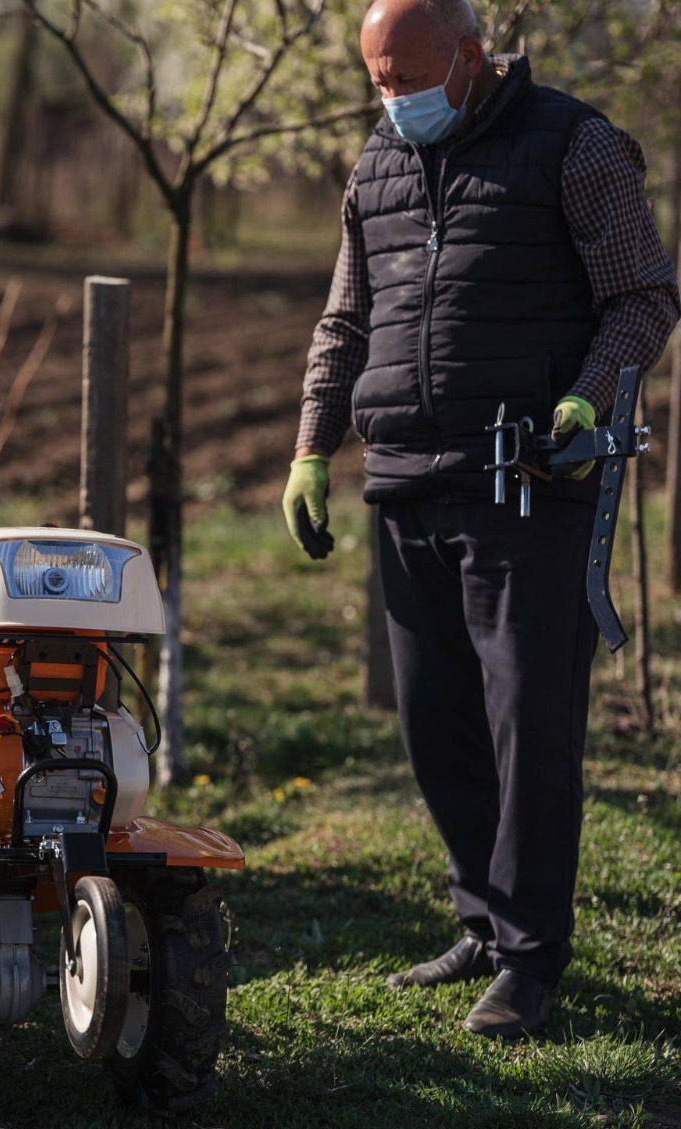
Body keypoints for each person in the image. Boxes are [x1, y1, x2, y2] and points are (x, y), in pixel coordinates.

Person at [282, 0, 679, 1038]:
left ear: (469, 57)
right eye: (376, 83)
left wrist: (588, 398)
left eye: (406, 81)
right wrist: (311, 448)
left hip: (526, 480)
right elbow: (345, 318)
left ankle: (531, 959)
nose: (391, 101)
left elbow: (642, 296)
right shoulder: (377, 164)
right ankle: (482, 924)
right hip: (406, 481)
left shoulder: (575, 144)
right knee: (436, 725)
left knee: (527, 727)